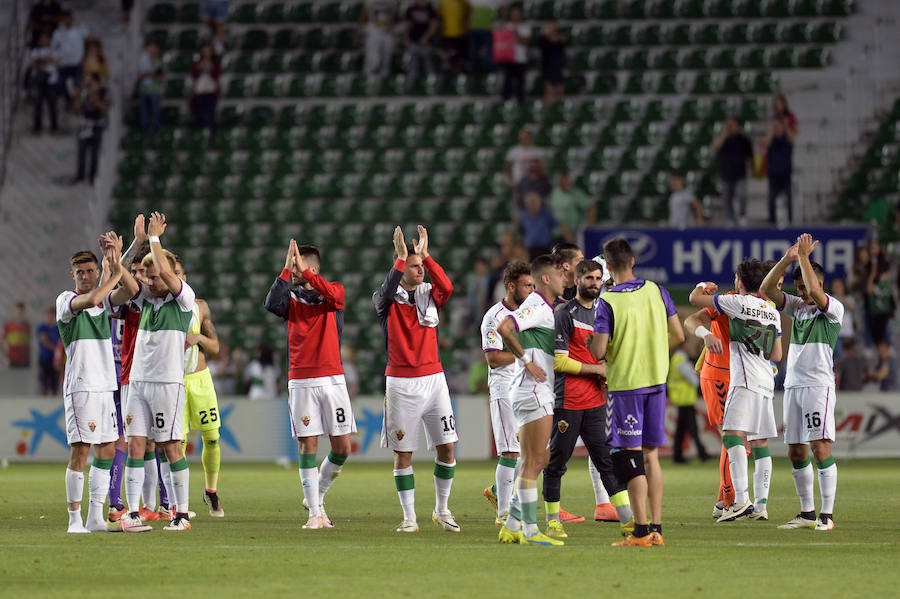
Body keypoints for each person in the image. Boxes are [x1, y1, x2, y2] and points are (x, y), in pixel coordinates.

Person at [590, 237, 684, 546]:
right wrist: (654, 350)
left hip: (627, 386)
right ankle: (657, 528)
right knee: (652, 456)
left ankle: (641, 531)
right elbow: (679, 335)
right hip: (657, 381)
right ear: (633, 262)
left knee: (628, 458)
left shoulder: (608, 302)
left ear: (608, 268)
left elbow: (599, 351)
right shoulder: (658, 291)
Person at [265, 240, 356, 529]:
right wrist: (286, 268)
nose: (293, 270)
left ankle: (316, 494)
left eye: (297, 265)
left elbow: (332, 294)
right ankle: (315, 512)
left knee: (342, 447)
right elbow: (270, 303)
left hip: (332, 378)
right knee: (308, 445)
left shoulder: (335, 292)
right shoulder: (291, 300)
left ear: (312, 268)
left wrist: (307, 273)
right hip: (301, 379)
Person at [373, 226, 458, 533]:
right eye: (414, 265)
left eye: (421, 266)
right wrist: (400, 258)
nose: (420, 269)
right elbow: (384, 292)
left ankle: (442, 509)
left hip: (434, 379)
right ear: (400, 268)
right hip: (401, 383)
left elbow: (446, 287)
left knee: (447, 447)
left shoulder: (430, 294)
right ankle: (409, 517)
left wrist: (427, 254)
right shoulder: (384, 299)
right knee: (403, 452)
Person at [543, 260, 634, 539]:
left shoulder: (603, 314)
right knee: (557, 462)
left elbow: (606, 356)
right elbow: (559, 362)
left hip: (595, 403)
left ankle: (628, 521)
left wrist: (609, 374)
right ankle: (552, 520)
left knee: (606, 461)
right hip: (568, 401)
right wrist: (597, 369)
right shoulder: (564, 313)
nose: (595, 283)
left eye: (598, 278)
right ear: (579, 279)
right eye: (590, 278)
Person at [690, 258, 783, 523]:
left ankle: (740, 501)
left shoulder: (736, 302)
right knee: (760, 442)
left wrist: (701, 285)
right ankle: (761, 505)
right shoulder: (772, 310)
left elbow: (695, 298)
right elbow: (776, 354)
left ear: (739, 282)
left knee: (731, 435)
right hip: (767, 380)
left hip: (743, 379)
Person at [56, 241, 139, 533]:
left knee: (105, 451)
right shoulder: (66, 300)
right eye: (80, 272)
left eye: (91, 270)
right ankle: (74, 519)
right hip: (82, 387)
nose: (86, 276)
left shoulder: (103, 301)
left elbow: (131, 291)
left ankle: (95, 516)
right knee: (80, 451)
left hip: (106, 386)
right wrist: (111, 273)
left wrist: (118, 263)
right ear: (73, 275)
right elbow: (91, 301)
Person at [121, 212, 196, 532]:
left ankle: (181, 513)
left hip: (167, 383)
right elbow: (120, 274)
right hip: (138, 381)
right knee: (136, 445)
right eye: (147, 277)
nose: (149, 282)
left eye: (153, 277)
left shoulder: (185, 300)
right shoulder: (145, 301)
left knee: (171, 446)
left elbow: (165, 270)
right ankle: (134, 512)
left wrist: (154, 238)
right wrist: (137, 241)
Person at [762, 234, 842, 531]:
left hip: (818, 386)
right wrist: (788, 259)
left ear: (820, 284)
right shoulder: (797, 309)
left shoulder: (833, 309)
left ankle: (827, 515)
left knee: (820, 447)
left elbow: (816, 294)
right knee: (796, 451)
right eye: (798, 289)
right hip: (793, 385)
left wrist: (806, 258)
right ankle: (807, 512)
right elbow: (766, 289)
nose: (802, 293)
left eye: (805, 287)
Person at [495, 254, 567, 546]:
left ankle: (512, 526)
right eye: (560, 275)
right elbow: (505, 327)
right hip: (533, 390)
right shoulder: (537, 305)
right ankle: (530, 530)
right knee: (535, 461)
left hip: (531, 390)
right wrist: (525, 360)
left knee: (533, 460)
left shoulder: (544, 307)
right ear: (546, 278)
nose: (566, 280)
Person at [480, 261, 533, 526]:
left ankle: (498, 492)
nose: (532, 289)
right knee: (511, 452)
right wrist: (526, 354)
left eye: (534, 285)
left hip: (530, 388)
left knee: (532, 454)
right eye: (527, 285)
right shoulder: (493, 317)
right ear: (511, 287)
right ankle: (503, 514)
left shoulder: (531, 313)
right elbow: (493, 359)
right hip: (505, 390)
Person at [174, 256, 225, 518]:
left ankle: (211, 491)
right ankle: (176, 504)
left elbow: (215, 347)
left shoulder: (199, 307)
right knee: (177, 443)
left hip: (200, 381)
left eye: (180, 273)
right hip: (174, 383)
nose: (177, 278)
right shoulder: (160, 308)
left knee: (212, 437)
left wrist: (199, 338)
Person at [668, 344, 710, 463]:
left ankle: (678, 456)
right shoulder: (681, 358)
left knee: (681, 429)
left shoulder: (676, 358)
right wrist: (700, 383)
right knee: (692, 428)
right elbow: (691, 378)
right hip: (684, 398)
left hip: (681, 397)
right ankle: (702, 454)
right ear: (684, 347)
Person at [711, 117, 753, 226]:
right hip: (726, 174)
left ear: (737, 126)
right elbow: (715, 147)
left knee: (742, 195)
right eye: (728, 126)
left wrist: (751, 171)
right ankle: (730, 218)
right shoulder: (724, 139)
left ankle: (742, 215)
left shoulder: (744, 140)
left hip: (740, 174)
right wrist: (724, 135)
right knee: (726, 198)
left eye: (732, 126)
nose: (730, 128)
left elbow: (750, 157)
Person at [72, 74, 109, 185]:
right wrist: (78, 97)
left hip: (97, 124)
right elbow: (77, 109)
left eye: (88, 79)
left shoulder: (102, 91)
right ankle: (80, 175)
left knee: (94, 152)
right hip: (85, 124)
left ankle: (93, 177)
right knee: (81, 151)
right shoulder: (84, 93)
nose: (85, 81)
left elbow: (104, 107)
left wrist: (93, 97)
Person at [50, 10, 87, 111]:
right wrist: (55, 58)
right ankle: (68, 101)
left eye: (69, 18)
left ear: (72, 19)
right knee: (60, 84)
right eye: (65, 19)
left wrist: (85, 57)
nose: (67, 21)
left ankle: (78, 104)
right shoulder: (58, 33)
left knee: (78, 85)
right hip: (64, 63)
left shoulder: (79, 31)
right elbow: (53, 48)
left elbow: (87, 43)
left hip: (77, 63)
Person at [764, 117, 797, 225]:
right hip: (773, 174)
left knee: (789, 198)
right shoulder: (771, 139)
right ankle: (772, 221)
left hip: (786, 173)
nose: (777, 128)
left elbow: (793, 140)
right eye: (775, 126)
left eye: (779, 126)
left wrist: (786, 127)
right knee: (771, 199)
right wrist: (772, 130)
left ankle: (790, 221)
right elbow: (766, 143)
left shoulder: (787, 138)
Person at [518, 192, 568, 259]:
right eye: (530, 203)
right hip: (530, 249)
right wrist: (521, 246)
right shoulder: (524, 217)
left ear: (539, 204)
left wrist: (567, 236)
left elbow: (559, 225)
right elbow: (521, 232)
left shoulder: (546, 215)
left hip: (545, 248)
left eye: (534, 203)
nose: (532, 205)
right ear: (527, 205)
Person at [28, 32, 60, 136]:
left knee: (52, 105)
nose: (44, 40)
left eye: (46, 38)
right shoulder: (35, 51)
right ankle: (37, 127)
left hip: (51, 81)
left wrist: (48, 59)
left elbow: (57, 62)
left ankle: (54, 128)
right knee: (37, 106)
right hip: (39, 81)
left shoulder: (54, 50)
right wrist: (42, 60)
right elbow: (31, 64)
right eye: (42, 38)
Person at [548, 172, 595, 239]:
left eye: (567, 181)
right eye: (562, 182)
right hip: (557, 233)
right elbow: (550, 211)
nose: (565, 183)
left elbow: (591, 206)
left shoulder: (576, 193)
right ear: (559, 183)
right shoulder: (553, 194)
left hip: (574, 233)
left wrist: (590, 223)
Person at [359, 1, 399, 77]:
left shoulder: (393, 2)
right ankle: (367, 74)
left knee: (387, 52)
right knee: (372, 56)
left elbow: (394, 15)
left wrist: (391, 26)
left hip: (387, 29)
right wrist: (358, 30)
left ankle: (385, 73)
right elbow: (364, 14)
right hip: (374, 28)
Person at [404, 0, 438, 87]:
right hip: (413, 41)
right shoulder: (411, 9)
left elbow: (434, 25)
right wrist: (406, 38)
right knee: (412, 65)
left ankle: (432, 86)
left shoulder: (430, 10)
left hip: (426, 42)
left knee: (429, 65)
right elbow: (407, 24)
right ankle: (409, 87)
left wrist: (426, 37)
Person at [190, 43, 221, 139]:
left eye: (208, 50)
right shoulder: (197, 63)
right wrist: (200, 68)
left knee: (212, 115)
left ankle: (213, 137)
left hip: (211, 92)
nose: (206, 52)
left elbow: (217, 76)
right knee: (200, 115)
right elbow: (194, 75)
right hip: (200, 93)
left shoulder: (215, 63)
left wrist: (210, 69)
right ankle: (199, 137)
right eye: (205, 50)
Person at [501, 5, 529, 105]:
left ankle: (521, 104)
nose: (515, 16)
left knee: (520, 84)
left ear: (520, 15)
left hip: (520, 59)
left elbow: (526, 42)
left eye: (517, 14)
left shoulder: (524, 27)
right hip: (509, 59)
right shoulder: (507, 26)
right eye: (513, 14)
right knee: (507, 83)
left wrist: (516, 33)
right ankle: (506, 104)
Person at [137, 41, 165, 134]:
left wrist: (152, 75)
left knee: (156, 113)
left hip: (155, 91)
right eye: (150, 47)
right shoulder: (143, 60)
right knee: (144, 114)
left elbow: (163, 77)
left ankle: (157, 132)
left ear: (157, 49)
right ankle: (144, 133)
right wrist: (148, 74)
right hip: (144, 90)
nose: (151, 49)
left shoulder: (160, 61)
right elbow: (139, 77)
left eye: (153, 47)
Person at [467, 0, 499, 79]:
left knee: (489, 56)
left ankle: (491, 77)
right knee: (473, 55)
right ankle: (474, 77)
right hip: (473, 31)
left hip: (487, 31)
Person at [539, 21, 567, 108]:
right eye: (550, 27)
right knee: (549, 93)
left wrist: (557, 37)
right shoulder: (543, 40)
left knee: (560, 91)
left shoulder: (560, 39)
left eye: (553, 27)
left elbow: (563, 41)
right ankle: (548, 112)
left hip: (558, 67)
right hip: (548, 67)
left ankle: (560, 110)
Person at [438, 0, 469, 74]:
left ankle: (458, 75)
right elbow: (440, 17)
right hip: (447, 35)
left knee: (459, 59)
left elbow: (467, 16)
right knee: (449, 57)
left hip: (461, 35)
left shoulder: (464, 3)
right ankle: (448, 75)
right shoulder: (444, 2)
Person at [36, 307, 61, 394]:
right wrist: (56, 349)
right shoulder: (42, 327)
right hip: (45, 358)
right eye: (49, 315)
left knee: (54, 380)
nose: (50, 317)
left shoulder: (57, 328)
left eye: (52, 315)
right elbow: (44, 340)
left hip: (55, 359)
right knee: (44, 381)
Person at [3, 302, 31, 368]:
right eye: (18, 311)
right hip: (12, 360)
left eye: (21, 311)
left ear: (24, 312)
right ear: (14, 311)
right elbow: (1, 342)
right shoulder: (8, 325)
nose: (19, 313)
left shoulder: (28, 326)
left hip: (25, 360)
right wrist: (5, 357)